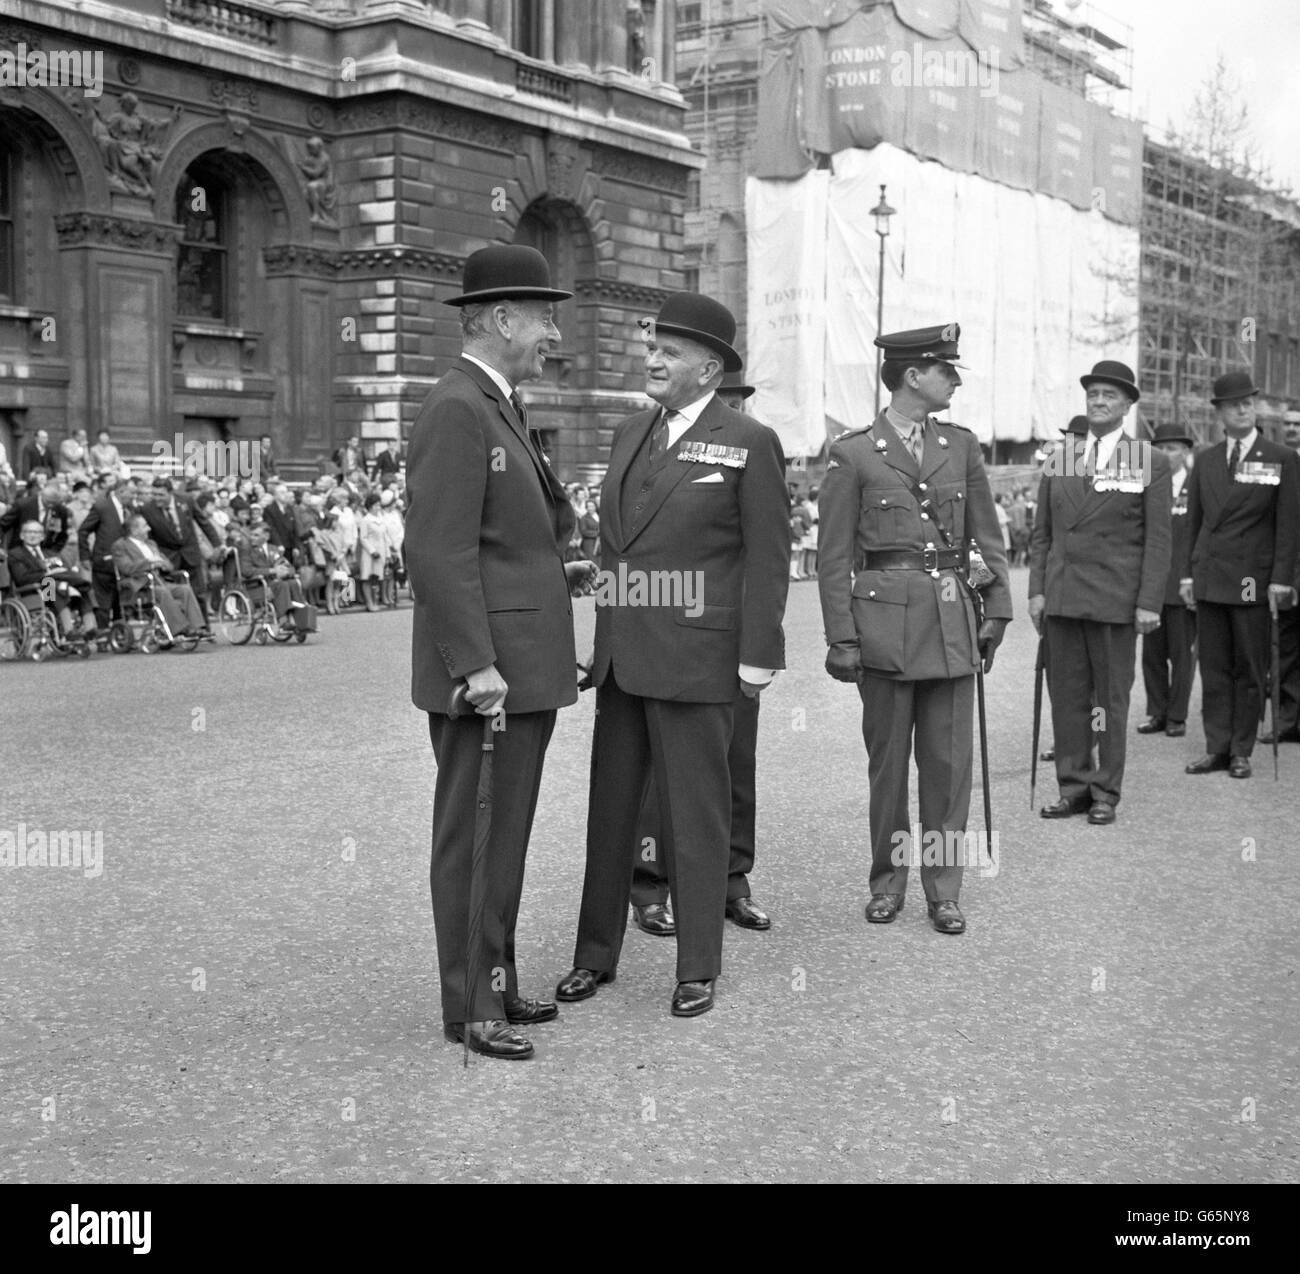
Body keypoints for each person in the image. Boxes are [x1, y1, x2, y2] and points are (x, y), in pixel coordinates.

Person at [556, 292, 789, 1018]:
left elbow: (768, 557)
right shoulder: (630, 432)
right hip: (624, 659)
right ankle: (594, 956)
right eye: (652, 345)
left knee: (695, 814)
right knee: (612, 812)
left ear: (710, 367)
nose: (653, 358)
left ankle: (697, 965)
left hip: (699, 661)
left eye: (672, 351)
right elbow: (617, 546)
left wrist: (759, 656)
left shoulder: (748, 440)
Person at [406, 244, 594, 1061]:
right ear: (503, 319)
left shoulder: (497, 403)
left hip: (523, 665)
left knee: (506, 832)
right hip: (491, 676)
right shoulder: (459, 407)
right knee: (478, 834)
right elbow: (436, 550)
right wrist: (475, 663)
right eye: (545, 316)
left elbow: (498, 539)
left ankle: (496, 977)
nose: (554, 332)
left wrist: (558, 569)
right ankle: (471, 1006)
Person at [819, 322, 1011, 934]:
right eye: (945, 370)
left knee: (949, 768)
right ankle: (887, 882)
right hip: (884, 630)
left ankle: (944, 889)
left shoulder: (961, 445)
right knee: (889, 769)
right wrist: (842, 638)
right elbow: (833, 557)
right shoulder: (853, 453)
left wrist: (998, 607)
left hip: (954, 621)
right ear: (912, 376)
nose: (954, 379)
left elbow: (987, 536)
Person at [628, 365, 774, 936]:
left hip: (731, 639)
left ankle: (730, 882)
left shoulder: (751, 452)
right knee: (660, 774)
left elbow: (766, 555)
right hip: (671, 640)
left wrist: (762, 644)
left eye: (736, 405)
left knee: (736, 766)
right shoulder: (663, 453)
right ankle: (649, 883)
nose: (728, 416)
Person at [1029, 360, 1171, 823]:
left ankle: (1105, 790)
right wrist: (1036, 591)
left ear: (1127, 405)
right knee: (1067, 695)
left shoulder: (1150, 461)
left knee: (1108, 700)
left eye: (1110, 395)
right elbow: (1042, 534)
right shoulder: (1061, 456)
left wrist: (1150, 601)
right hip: (1064, 597)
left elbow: (1158, 539)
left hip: (1115, 601)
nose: (1099, 402)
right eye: (1093, 394)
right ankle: (1073, 786)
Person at [1182, 371, 1300, 778]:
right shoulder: (1206, 459)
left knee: (1249, 667)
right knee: (1213, 666)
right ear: (1220, 413)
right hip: (1211, 575)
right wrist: (1186, 575)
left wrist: (1282, 579)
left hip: (1252, 576)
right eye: (1233, 404)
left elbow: (1288, 527)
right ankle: (1217, 746)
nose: (1243, 408)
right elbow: (1192, 523)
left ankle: (1240, 750)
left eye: (1248, 402)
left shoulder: (1281, 458)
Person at [1136, 423, 1198, 739]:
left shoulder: (1195, 486)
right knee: (1152, 656)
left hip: (1183, 586)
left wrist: (1193, 579)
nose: (1166, 454)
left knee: (1182, 656)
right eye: (1160, 448)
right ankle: (1157, 712)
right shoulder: (1146, 485)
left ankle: (1177, 716)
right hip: (1153, 588)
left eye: (1173, 448)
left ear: (1186, 452)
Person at [111, 514, 208, 638]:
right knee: (162, 592)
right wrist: (150, 562)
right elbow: (126, 568)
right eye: (145, 526)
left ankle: (198, 627)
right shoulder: (120, 545)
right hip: (140, 587)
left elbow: (169, 565)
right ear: (134, 531)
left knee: (185, 590)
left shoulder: (151, 544)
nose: (149, 528)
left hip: (159, 581)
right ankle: (181, 629)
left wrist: (163, 564)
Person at [1264, 409, 1300, 743]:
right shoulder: (1276, 463)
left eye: (1297, 424)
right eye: (1287, 424)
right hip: (1287, 574)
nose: (1291, 429)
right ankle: (1287, 721)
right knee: (1285, 651)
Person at [7, 520, 97, 639]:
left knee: (82, 586)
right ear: (22, 535)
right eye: (29, 532)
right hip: (34, 593)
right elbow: (22, 578)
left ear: (42, 536)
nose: (33, 535)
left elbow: (64, 570)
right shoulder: (15, 554)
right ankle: (68, 630)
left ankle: (91, 629)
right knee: (51, 583)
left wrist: (57, 576)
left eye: (37, 532)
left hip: (61, 588)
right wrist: (49, 576)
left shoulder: (51, 553)